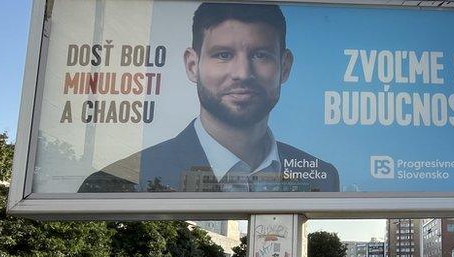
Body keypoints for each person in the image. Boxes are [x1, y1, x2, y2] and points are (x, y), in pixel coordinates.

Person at [79, 2, 339, 193]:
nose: (242, 73)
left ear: (285, 66)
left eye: (260, 55)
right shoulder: (119, 180)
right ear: (192, 65)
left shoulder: (323, 177)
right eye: (223, 55)